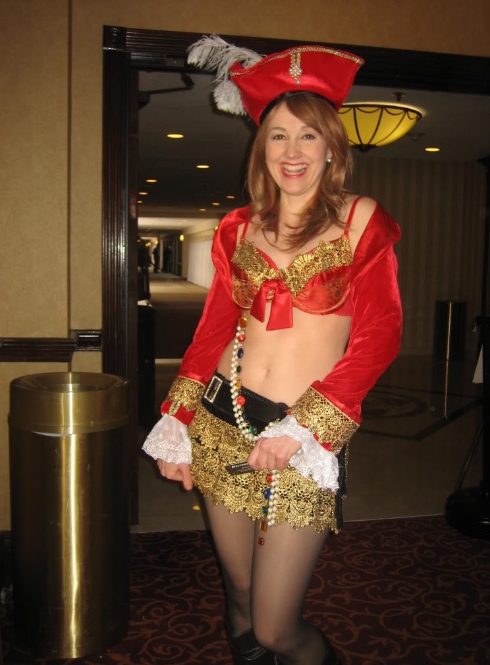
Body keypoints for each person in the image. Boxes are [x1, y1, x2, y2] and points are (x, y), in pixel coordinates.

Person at [143, 36, 402, 665]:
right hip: (220, 420)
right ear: (261, 146)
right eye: (279, 136)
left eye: (308, 136)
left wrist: (306, 425)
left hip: (301, 435)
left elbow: (382, 333)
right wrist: (177, 420)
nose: (292, 151)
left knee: (276, 626)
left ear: (332, 147)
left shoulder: (361, 219)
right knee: (238, 595)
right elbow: (212, 330)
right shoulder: (238, 227)